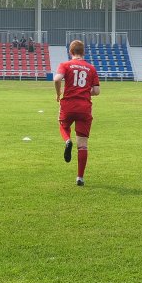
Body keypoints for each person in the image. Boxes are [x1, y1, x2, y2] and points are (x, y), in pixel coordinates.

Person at [54, 39, 100, 186]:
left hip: (68, 104)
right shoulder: (91, 68)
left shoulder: (65, 65)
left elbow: (57, 79)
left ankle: (67, 141)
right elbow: (97, 91)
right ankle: (80, 177)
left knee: (63, 125)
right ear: (83, 52)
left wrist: (58, 94)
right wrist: (84, 91)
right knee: (83, 145)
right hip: (84, 107)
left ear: (70, 52)